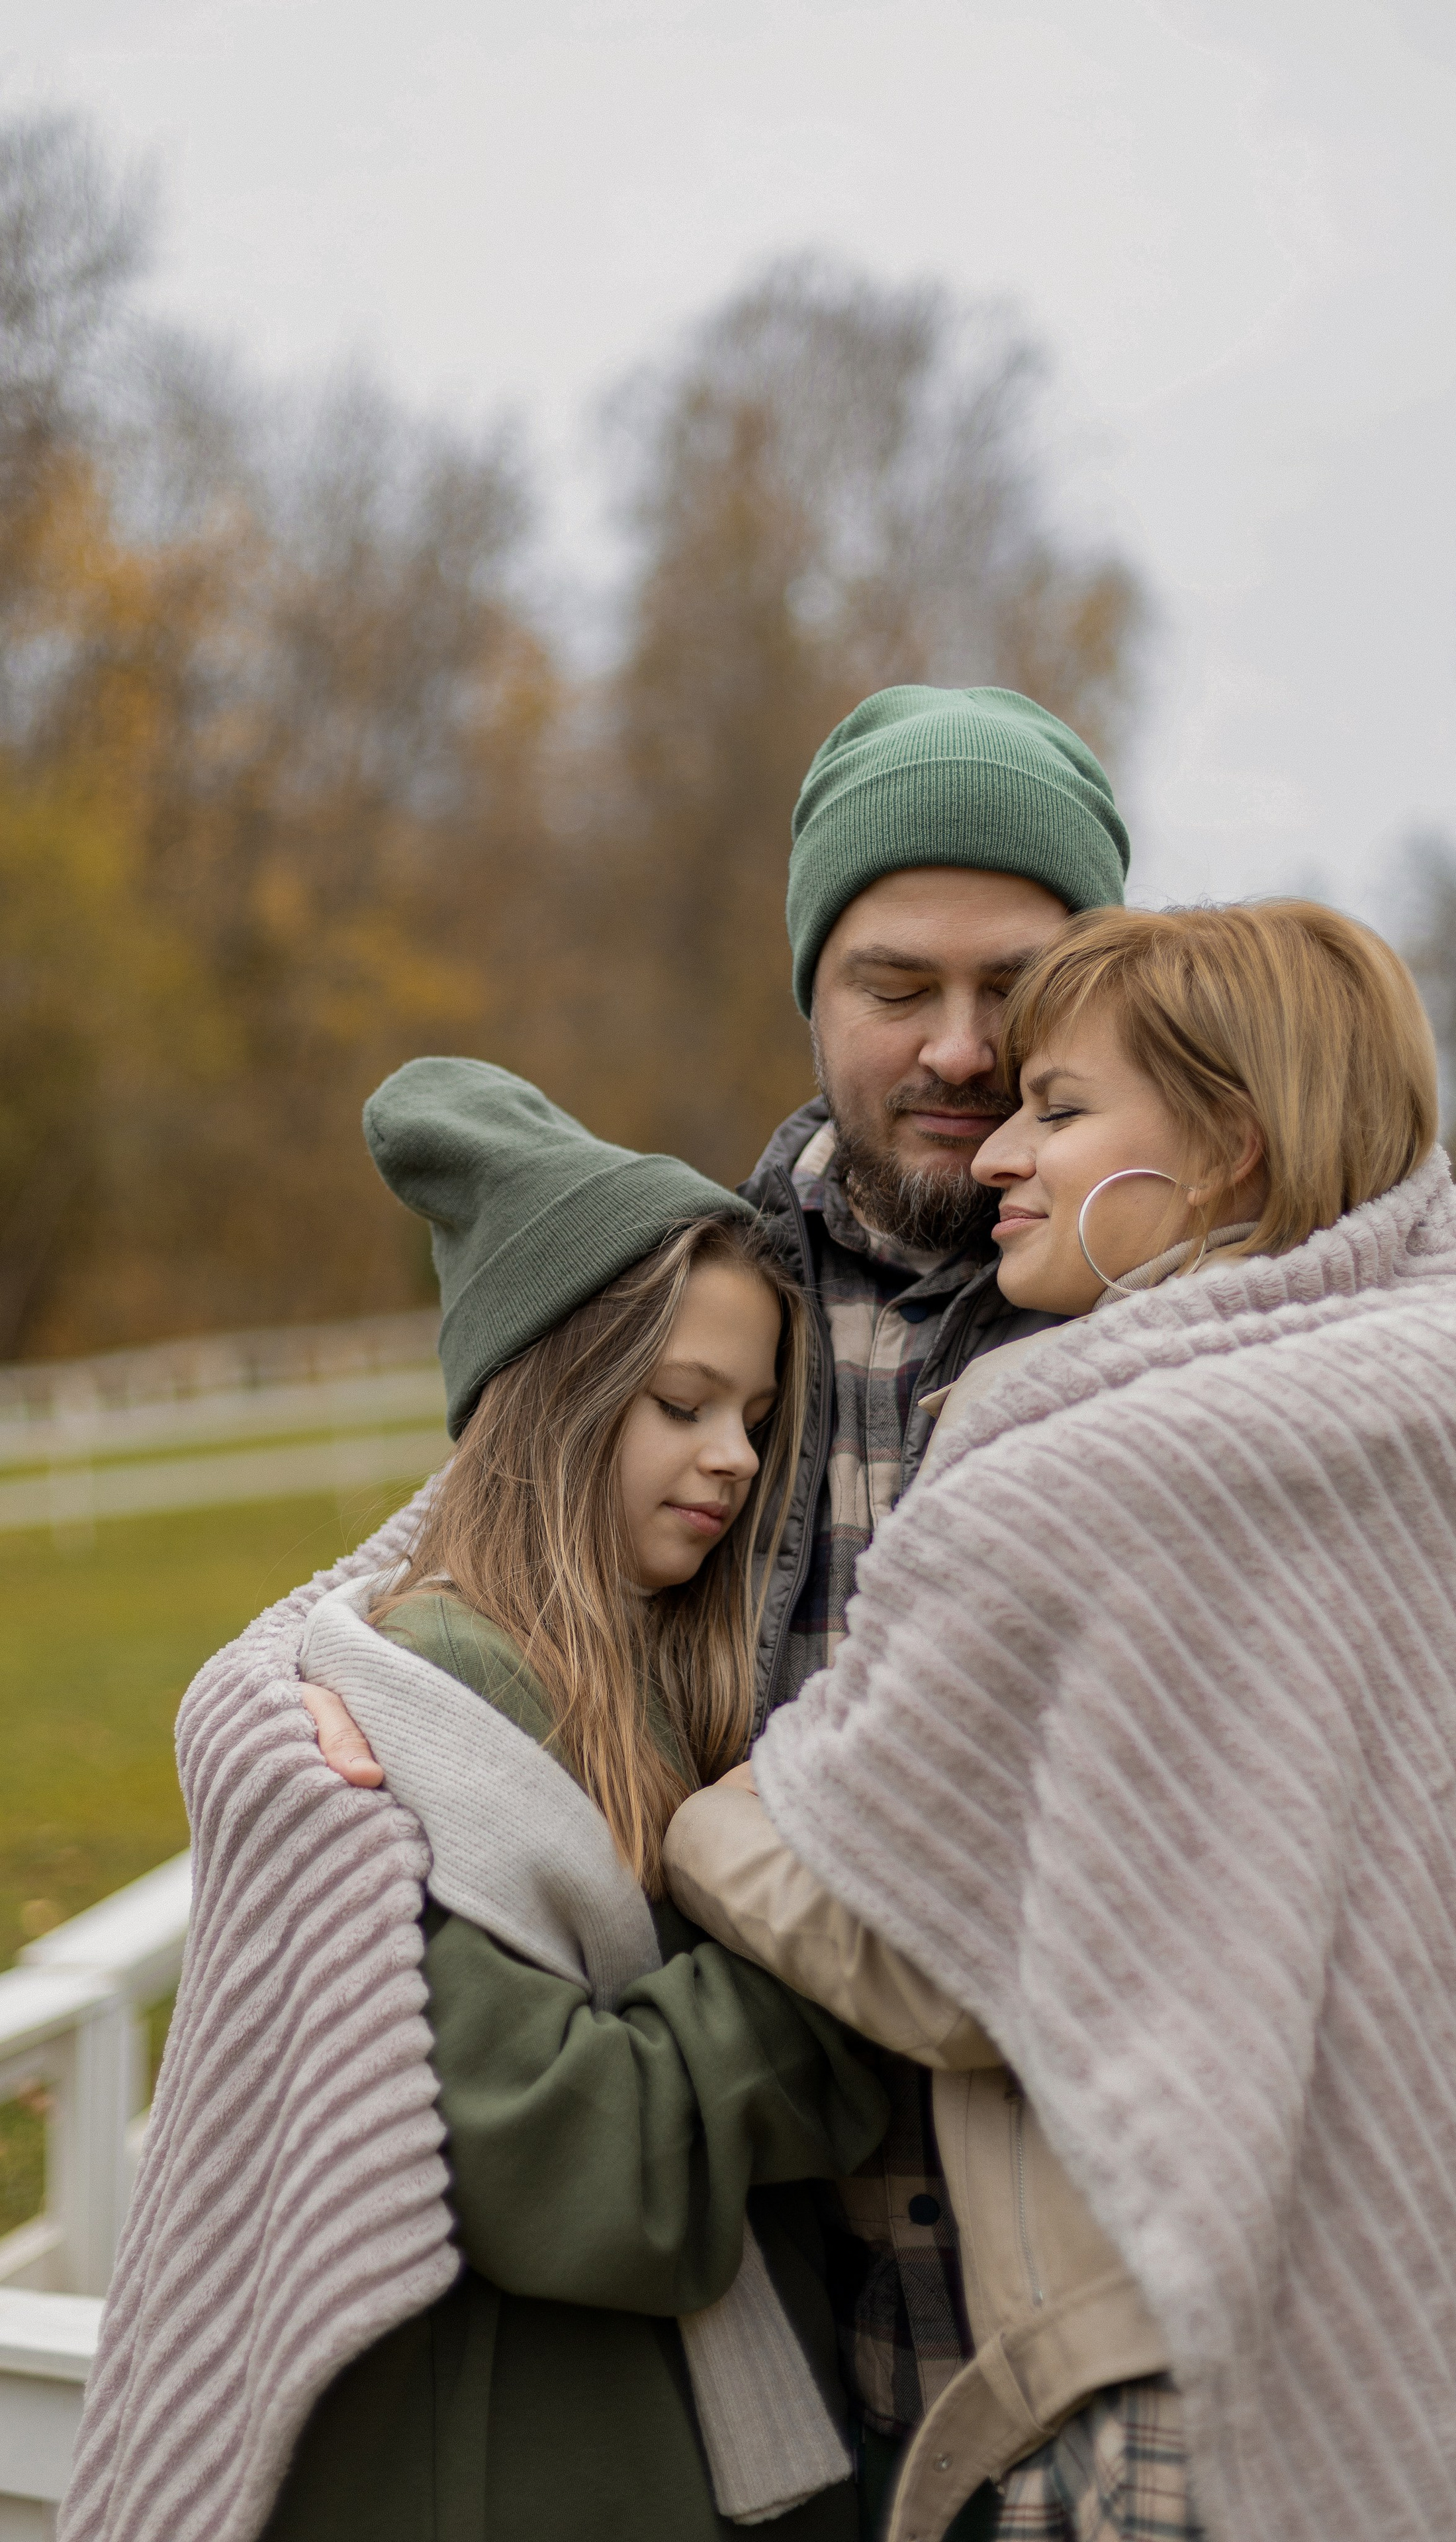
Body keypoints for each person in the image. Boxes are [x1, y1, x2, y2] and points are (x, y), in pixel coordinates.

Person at [300, 686, 1135, 2525]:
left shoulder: (1183, 1316)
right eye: (896, 985)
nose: (961, 1047)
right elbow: (469, 1524)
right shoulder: (717, 1299)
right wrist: (262, 1705)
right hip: (789, 2345)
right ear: (812, 994)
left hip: (1130, 2334)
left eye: (1022, 984)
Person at [662, 900, 1456, 2542]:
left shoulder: (1095, 1475)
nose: (1000, 1152)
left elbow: (918, 1940)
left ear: (1229, 1147)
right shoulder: (1410, 1390)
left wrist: (692, 1813)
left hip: (1178, 2361)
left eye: (1058, 1106)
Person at [63, 1059, 892, 2542]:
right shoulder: (428, 1709)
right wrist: (830, 1963)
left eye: (757, 1416)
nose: (733, 1458)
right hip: (510, 2464)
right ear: (559, 1401)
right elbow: (588, 2166)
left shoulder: (642, 1669)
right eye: (681, 1403)